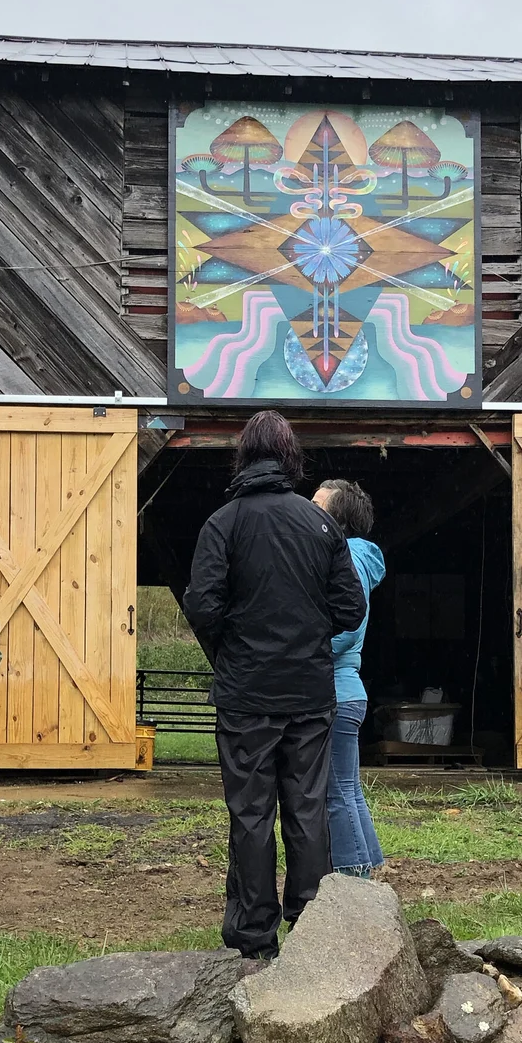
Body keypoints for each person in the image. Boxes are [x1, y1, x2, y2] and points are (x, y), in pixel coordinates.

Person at [183, 411, 365, 959]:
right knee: (307, 809)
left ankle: (252, 934)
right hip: (309, 694)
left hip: (246, 696)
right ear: (291, 458)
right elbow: (349, 606)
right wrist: (305, 639)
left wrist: (232, 654)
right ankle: (309, 927)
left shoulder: (223, 523)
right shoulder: (321, 526)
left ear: (242, 456)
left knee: (251, 812)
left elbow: (203, 605)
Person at [313, 478, 386, 879]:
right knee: (348, 787)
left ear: (335, 519)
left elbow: (345, 629)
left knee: (335, 791)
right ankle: (368, 865)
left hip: (336, 691)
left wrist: (303, 653)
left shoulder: (349, 560)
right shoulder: (353, 555)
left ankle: (353, 875)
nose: (308, 511)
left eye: (316, 505)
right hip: (346, 691)